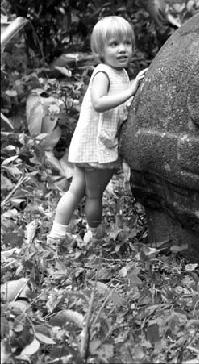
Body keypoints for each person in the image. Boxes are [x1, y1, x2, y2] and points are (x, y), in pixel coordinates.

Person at [47, 16, 147, 245]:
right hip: (96, 146)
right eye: (114, 44)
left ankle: (57, 233)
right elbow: (99, 102)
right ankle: (95, 235)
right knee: (92, 195)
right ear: (100, 49)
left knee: (76, 190)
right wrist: (131, 91)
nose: (122, 49)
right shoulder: (103, 73)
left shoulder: (119, 73)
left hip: (91, 144)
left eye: (127, 43)